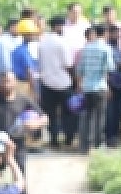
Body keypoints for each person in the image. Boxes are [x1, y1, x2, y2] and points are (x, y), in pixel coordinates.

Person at [39, 16, 76, 149]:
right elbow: (68, 64)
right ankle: (68, 138)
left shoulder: (42, 42)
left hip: (47, 82)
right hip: (63, 83)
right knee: (69, 112)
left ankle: (53, 139)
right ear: (58, 26)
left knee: (51, 113)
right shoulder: (62, 42)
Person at [77, 24, 114, 153]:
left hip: (87, 87)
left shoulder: (86, 48)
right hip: (100, 86)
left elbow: (80, 69)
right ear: (104, 33)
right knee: (100, 116)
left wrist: (81, 84)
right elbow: (109, 68)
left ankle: (85, 145)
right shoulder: (106, 49)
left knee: (87, 116)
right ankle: (98, 145)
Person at [10, 19, 41, 98]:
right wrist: (34, 91)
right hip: (25, 85)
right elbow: (29, 72)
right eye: (32, 34)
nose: (34, 36)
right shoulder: (24, 51)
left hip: (18, 83)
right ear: (26, 34)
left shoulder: (17, 49)